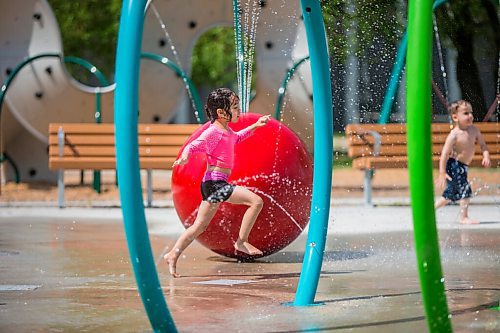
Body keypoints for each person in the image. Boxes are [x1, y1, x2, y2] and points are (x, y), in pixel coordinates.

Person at [164, 88, 271, 277]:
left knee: (199, 226)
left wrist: (256, 125)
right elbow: (193, 145)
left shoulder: (227, 131)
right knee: (256, 201)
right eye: (235, 107)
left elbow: (238, 137)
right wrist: (184, 157)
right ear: (221, 112)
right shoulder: (213, 132)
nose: (239, 111)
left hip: (212, 184)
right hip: (215, 184)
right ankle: (241, 241)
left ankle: (173, 254)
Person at [435, 100, 491, 224]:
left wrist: (486, 156)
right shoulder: (454, 135)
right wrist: (442, 172)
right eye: (466, 113)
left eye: (471, 112)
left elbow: (483, 145)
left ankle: (431, 211)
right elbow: (444, 154)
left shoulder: (474, 130)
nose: (470, 116)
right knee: (464, 189)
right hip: (454, 165)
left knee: (452, 194)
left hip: (463, 166)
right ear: (455, 117)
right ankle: (463, 217)